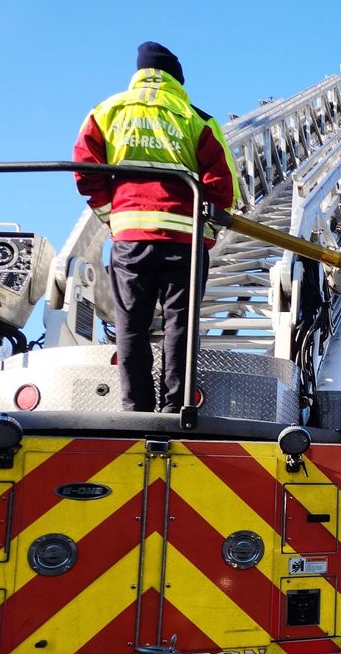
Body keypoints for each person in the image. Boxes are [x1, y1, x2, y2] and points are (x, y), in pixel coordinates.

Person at [74, 42, 238, 413]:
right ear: (177, 79)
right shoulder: (195, 118)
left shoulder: (106, 112)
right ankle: (176, 406)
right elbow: (222, 188)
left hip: (130, 239)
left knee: (130, 325)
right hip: (183, 240)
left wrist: (111, 217)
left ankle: (135, 407)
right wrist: (206, 233)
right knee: (181, 325)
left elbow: (85, 170)